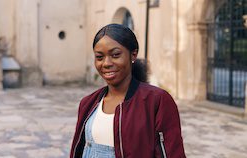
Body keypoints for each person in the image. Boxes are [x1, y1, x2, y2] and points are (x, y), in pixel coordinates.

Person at [70, 24, 186, 158]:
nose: (106, 63)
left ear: (133, 54)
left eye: (115, 55)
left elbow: (172, 153)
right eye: (99, 57)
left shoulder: (157, 101)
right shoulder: (88, 103)